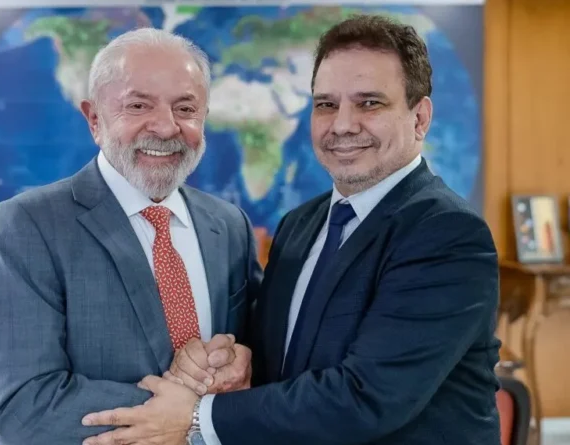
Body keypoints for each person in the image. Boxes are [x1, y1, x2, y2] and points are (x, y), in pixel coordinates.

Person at [81, 15, 502, 445]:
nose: (343, 124)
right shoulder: (300, 226)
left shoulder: (448, 235)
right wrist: (234, 361)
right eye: (326, 104)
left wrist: (195, 418)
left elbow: (367, 397)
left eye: (370, 103)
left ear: (420, 118)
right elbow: (277, 365)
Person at [0, 27, 263, 445]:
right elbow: (25, 408)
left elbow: (258, 353)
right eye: (138, 105)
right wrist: (191, 417)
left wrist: (242, 360)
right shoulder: (26, 226)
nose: (166, 127)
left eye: (185, 108)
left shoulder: (229, 225)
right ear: (94, 119)